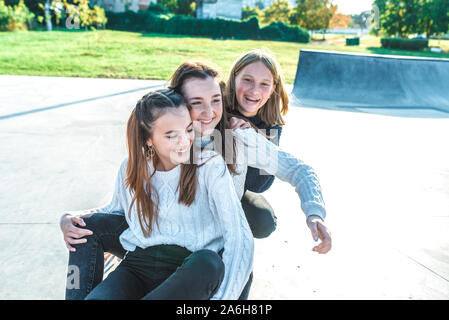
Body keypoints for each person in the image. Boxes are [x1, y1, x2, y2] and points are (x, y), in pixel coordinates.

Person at [62, 89, 254, 300]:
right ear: (148, 139)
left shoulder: (208, 165)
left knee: (209, 262)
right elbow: (113, 210)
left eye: (189, 130)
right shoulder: (132, 167)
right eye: (172, 135)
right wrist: (70, 218)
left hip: (192, 268)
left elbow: (239, 236)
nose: (184, 141)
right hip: (139, 266)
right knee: (83, 227)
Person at [225, 48, 290, 239]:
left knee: (264, 221)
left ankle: (239, 249)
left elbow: (259, 184)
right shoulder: (215, 105)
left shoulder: (271, 125)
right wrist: (226, 129)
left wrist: (252, 138)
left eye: (264, 84)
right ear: (234, 79)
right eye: (247, 80)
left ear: (272, 90)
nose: (254, 90)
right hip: (199, 188)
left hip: (236, 192)